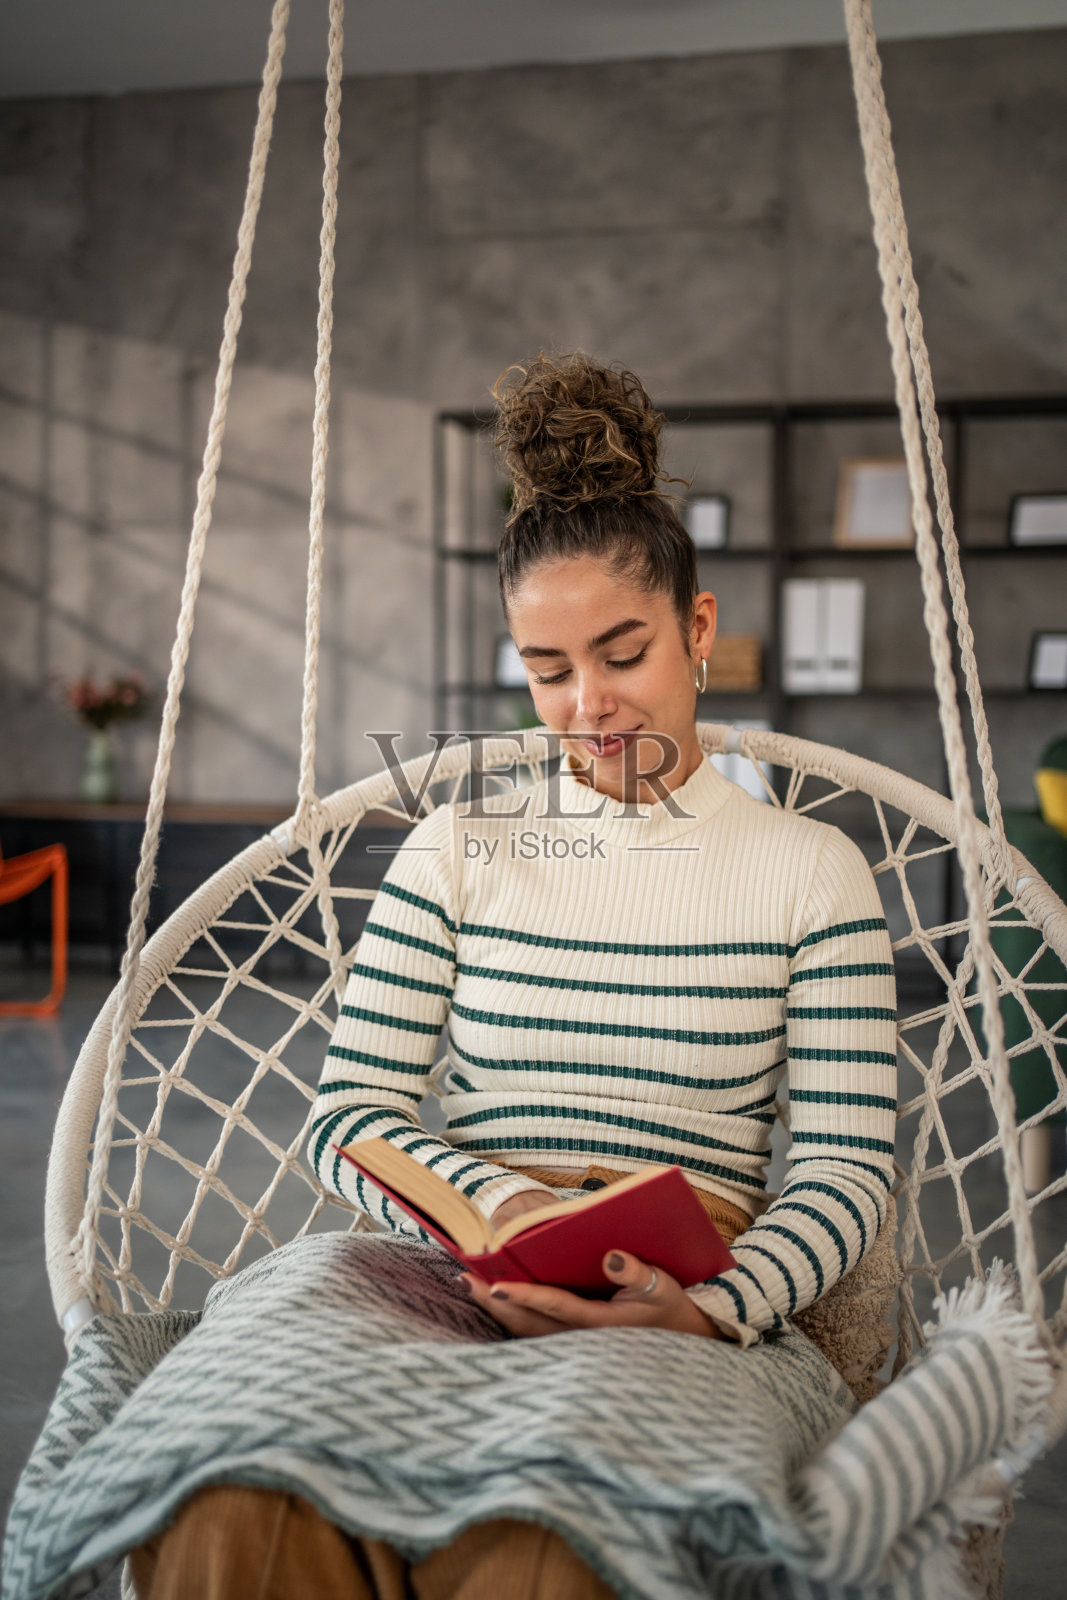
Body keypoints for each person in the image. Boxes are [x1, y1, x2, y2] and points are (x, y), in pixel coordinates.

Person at [128, 351, 896, 1599]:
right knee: (234, 1499)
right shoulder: (458, 846)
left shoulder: (811, 871)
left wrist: (714, 1306)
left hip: (676, 1289)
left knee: (550, 1546)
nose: (587, 703)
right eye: (547, 670)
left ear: (698, 633)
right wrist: (497, 1206)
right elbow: (350, 1116)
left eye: (622, 650)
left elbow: (845, 1167)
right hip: (450, 1258)